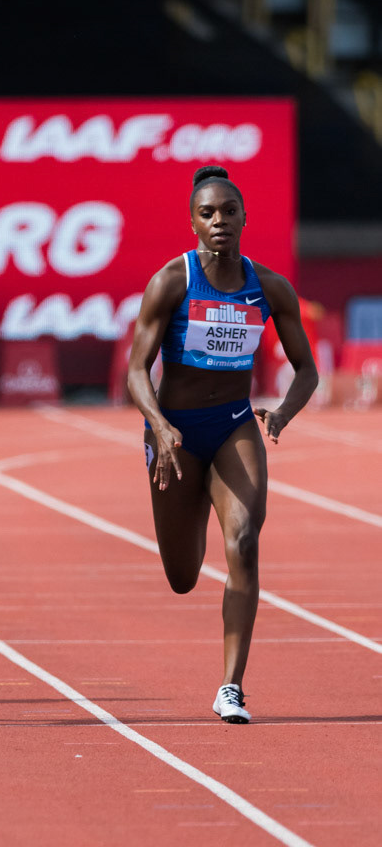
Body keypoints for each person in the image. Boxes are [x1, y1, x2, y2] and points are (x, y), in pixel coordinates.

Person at [126, 164, 317, 723]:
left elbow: (306, 368)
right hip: (176, 436)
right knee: (183, 577)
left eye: (228, 212)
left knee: (245, 540)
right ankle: (188, 525)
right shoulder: (171, 281)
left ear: (244, 218)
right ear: (192, 223)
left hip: (235, 425)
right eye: (207, 213)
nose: (219, 222)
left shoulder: (270, 287)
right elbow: (136, 371)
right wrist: (159, 425)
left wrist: (282, 412)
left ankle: (231, 687)